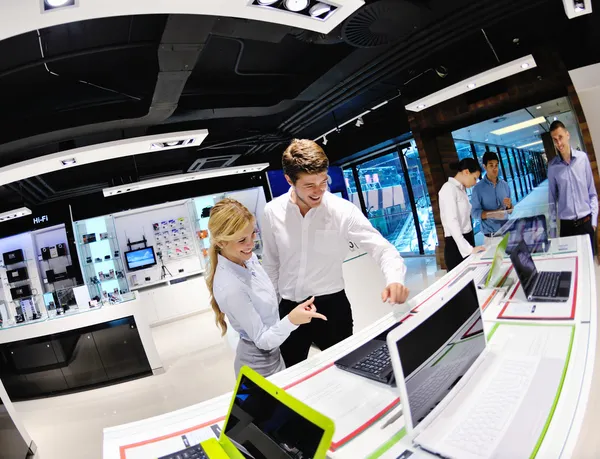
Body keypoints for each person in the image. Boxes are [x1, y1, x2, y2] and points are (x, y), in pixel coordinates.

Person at [261, 139, 409, 368]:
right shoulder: (272, 212)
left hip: (332, 307)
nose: (319, 190)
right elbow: (271, 264)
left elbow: (382, 248)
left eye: (324, 181)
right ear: (289, 180)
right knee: (289, 373)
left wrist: (395, 279)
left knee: (346, 370)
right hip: (289, 308)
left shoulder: (342, 211)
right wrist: (269, 312)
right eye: (310, 185)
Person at [206, 198, 327, 378]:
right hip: (258, 367)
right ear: (222, 242)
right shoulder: (229, 286)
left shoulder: (248, 259)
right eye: (242, 240)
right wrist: (292, 319)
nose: (251, 244)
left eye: (253, 234)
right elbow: (262, 340)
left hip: (275, 355)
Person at [548, 120, 598, 254]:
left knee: (589, 268)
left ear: (567, 135)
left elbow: (592, 194)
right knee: (571, 270)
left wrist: (593, 223)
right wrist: (553, 234)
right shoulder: (553, 168)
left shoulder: (583, 159)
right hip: (567, 227)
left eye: (560, 137)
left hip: (586, 224)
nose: (559, 143)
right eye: (555, 140)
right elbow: (552, 202)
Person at [439, 158, 487, 271]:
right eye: (474, 178)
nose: (475, 183)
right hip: (456, 245)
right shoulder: (448, 189)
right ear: (466, 172)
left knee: (472, 282)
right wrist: (468, 249)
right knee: (464, 286)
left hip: (467, 239)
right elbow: (452, 221)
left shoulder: (461, 190)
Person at [471, 151, 513, 246]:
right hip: (491, 238)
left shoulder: (505, 185)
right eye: (491, 165)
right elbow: (474, 213)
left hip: (507, 232)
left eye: (496, 165)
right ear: (485, 167)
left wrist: (509, 206)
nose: (495, 169)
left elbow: (510, 211)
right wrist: (493, 214)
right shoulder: (478, 189)